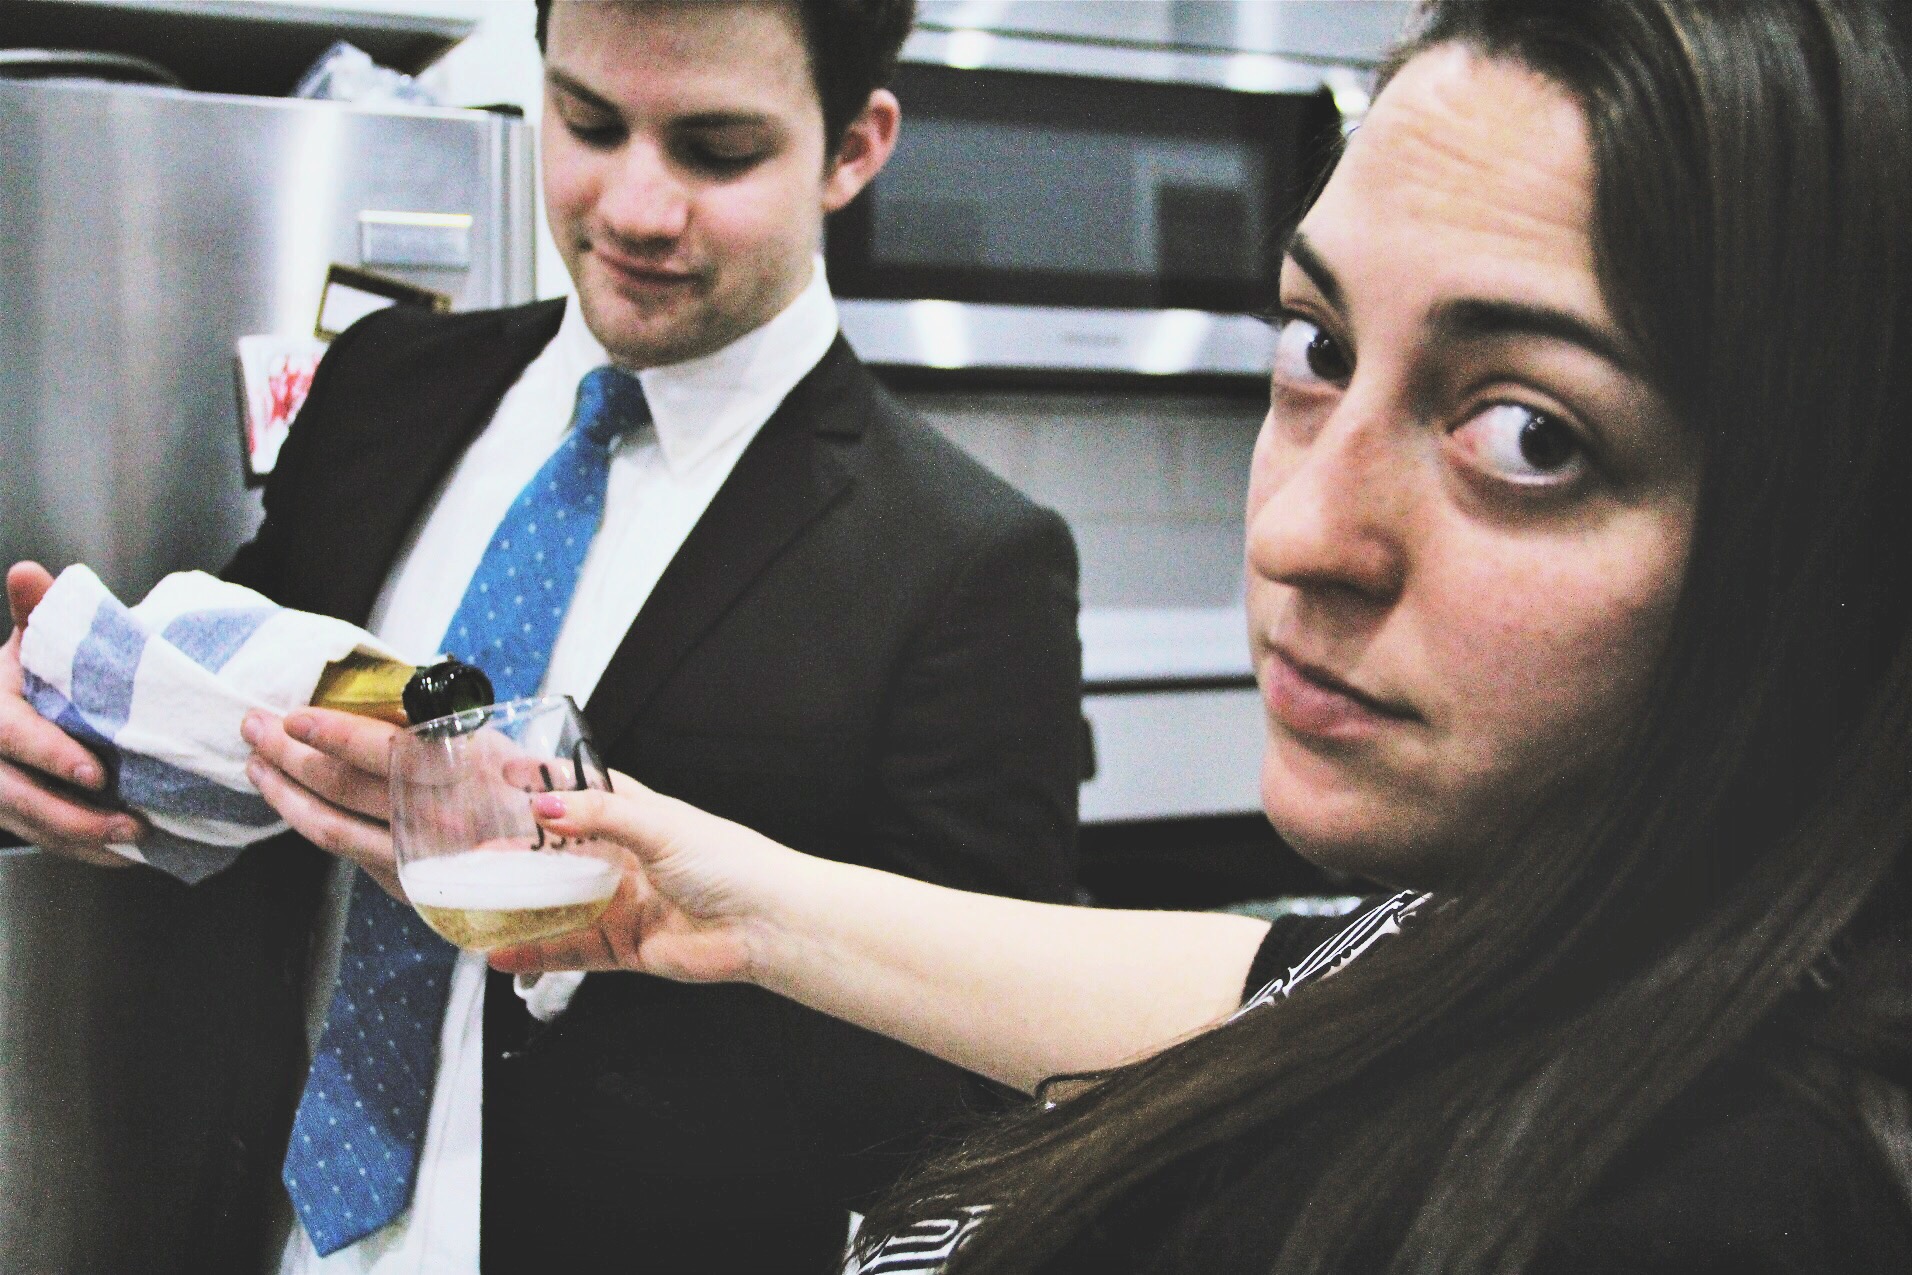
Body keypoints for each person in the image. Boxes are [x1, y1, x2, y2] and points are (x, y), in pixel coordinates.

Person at [485, 0, 1912, 1270]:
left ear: (1833, 526)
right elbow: (1275, 992)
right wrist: (739, 905)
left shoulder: (1702, 1201)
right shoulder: (1563, 922)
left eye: (1528, 434)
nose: (1298, 533)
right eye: (1317, 348)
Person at [0, 1, 1083, 1271]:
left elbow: (975, 1086)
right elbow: (222, 710)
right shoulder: (387, 383)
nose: (634, 207)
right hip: (264, 1227)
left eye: (716, 150)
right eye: (588, 123)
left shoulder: (965, 562)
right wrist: (63, 729)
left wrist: (584, 930)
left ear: (852, 147)